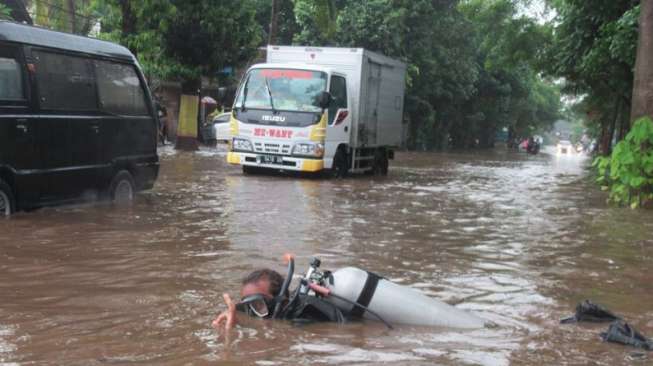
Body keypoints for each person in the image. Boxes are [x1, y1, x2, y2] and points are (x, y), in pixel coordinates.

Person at [212, 268, 346, 332]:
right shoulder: (264, 310)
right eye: (248, 305)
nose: (254, 311)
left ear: (282, 301)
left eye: (258, 304)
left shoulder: (306, 313)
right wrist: (235, 318)